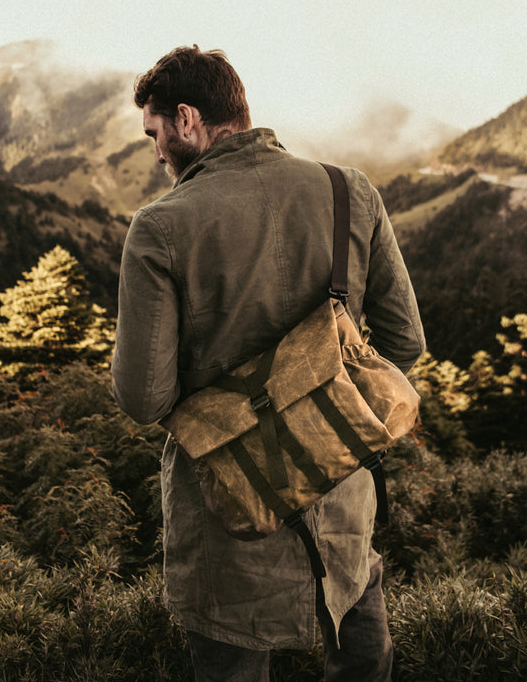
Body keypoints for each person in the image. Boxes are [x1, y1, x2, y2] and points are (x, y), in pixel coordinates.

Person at [112, 45, 425, 682]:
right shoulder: (349, 191)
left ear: (187, 120)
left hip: (228, 520)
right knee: (364, 661)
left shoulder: (160, 227)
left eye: (154, 133)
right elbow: (404, 342)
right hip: (340, 493)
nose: (157, 151)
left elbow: (145, 399)